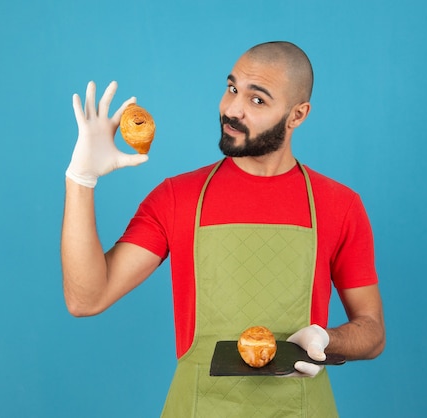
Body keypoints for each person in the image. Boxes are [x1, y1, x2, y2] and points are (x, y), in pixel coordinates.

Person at [61, 41, 385, 417]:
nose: (232, 109)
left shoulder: (339, 205)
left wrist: (326, 340)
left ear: (297, 115)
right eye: (232, 89)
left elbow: (372, 331)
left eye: (257, 100)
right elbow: (86, 299)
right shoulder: (177, 198)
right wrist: (80, 180)